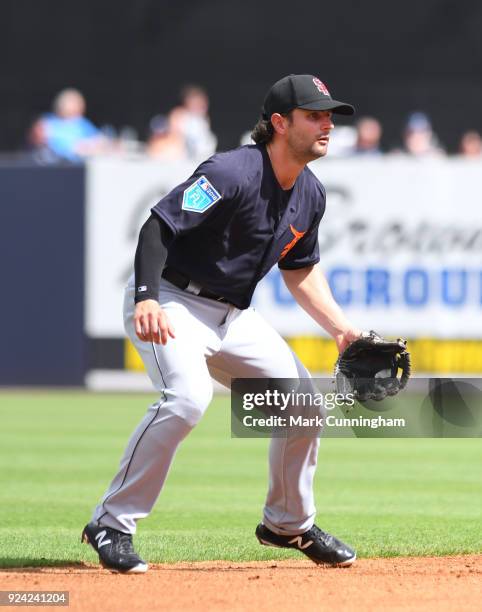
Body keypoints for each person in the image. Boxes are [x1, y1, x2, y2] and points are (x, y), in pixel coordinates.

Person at [82, 74, 362, 573]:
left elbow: (300, 270)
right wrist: (146, 296)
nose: (327, 124)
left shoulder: (310, 194)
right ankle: (111, 523)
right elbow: (158, 226)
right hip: (171, 299)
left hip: (232, 316)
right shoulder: (231, 172)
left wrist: (341, 329)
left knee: (302, 405)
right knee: (188, 398)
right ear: (279, 123)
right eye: (314, 115)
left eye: (329, 116)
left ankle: (287, 524)